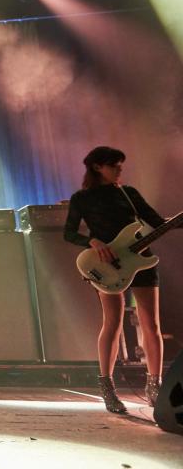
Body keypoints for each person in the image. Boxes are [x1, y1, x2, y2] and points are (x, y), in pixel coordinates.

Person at [63, 146, 167, 413]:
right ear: (98, 166)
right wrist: (93, 241)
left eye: (121, 165)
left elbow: (155, 221)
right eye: (115, 165)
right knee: (112, 323)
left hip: (141, 260)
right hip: (107, 265)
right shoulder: (81, 198)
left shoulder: (128, 193)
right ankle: (107, 388)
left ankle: (155, 385)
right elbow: (69, 233)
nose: (120, 170)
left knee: (151, 325)